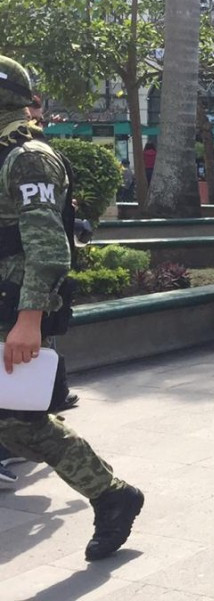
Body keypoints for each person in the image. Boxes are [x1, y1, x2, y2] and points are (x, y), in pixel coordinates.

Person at [0, 55, 144, 560]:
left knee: (18, 422)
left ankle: (112, 496)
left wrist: (28, 320)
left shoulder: (27, 156)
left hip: (13, 305)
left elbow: (48, 249)